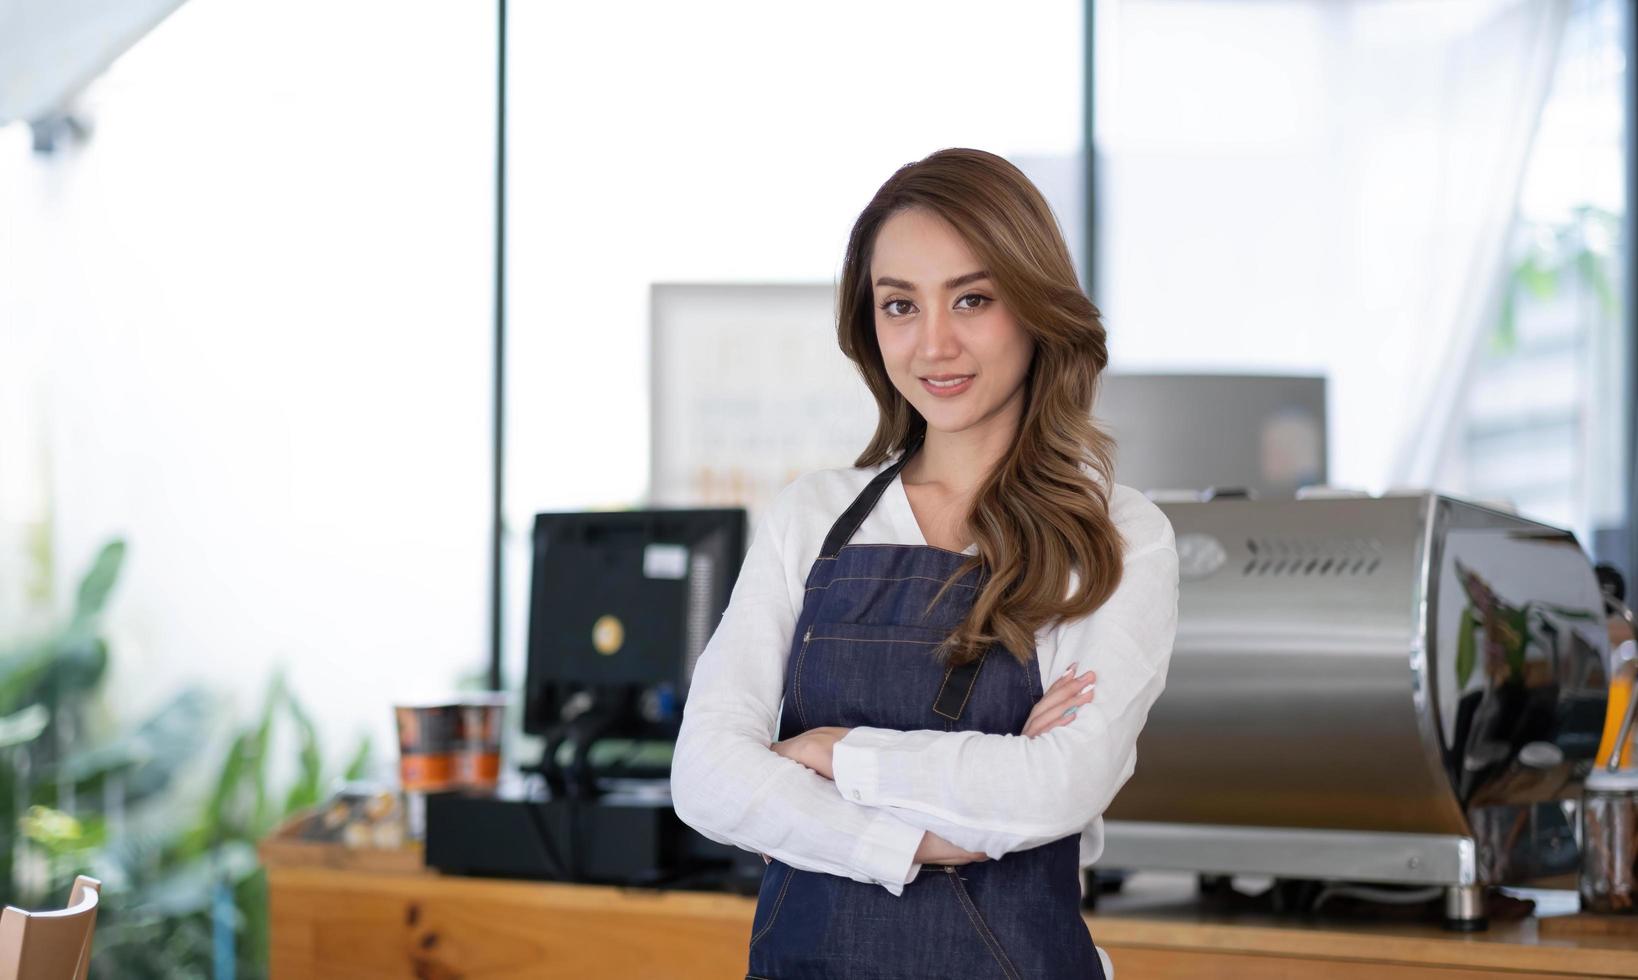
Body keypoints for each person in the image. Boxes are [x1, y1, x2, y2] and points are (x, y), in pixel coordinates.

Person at [670, 147, 1179, 979]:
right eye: (900, 305)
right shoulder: (813, 516)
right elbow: (706, 776)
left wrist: (835, 754)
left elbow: (1059, 784)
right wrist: (919, 844)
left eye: (972, 299)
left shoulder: (1115, 535)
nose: (934, 344)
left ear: (1033, 305)